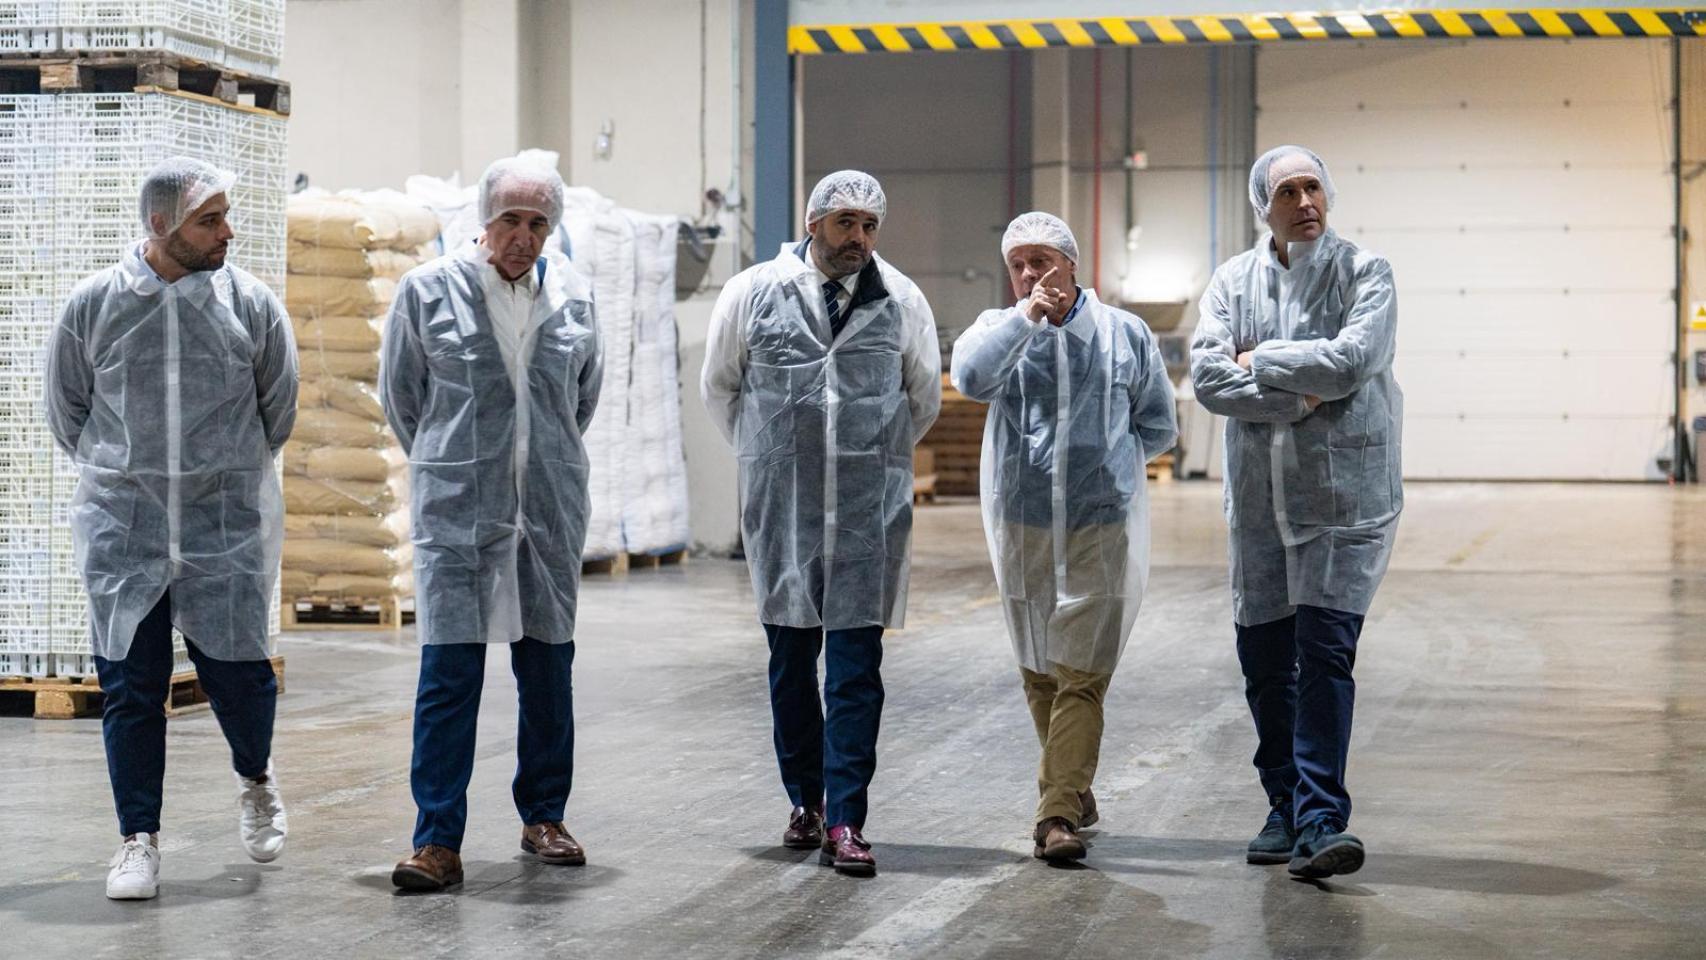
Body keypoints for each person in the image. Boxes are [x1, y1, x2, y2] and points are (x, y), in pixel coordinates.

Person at [44, 156, 298, 900]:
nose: (228, 231)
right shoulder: (97, 305)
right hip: (127, 527)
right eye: (209, 219)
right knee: (132, 683)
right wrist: (132, 479)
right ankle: (137, 839)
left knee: (241, 676)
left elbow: (276, 408)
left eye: (225, 216)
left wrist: (224, 479)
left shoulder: (249, 305)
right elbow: (69, 412)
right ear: (161, 226)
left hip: (225, 524)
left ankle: (255, 776)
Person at [701, 170, 941, 877]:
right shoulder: (754, 292)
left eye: (869, 226)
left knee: (857, 672)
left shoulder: (902, 300)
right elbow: (723, 390)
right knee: (789, 666)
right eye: (845, 224)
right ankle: (804, 799)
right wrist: (775, 456)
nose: (858, 239)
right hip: (785, 509)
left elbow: (919, 399)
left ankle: (845, 819)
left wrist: (868, 459)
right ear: (813, 224)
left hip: (868, 510)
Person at [382, 158, 603, 891]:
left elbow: (581, 400)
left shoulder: (572, 297)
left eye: (538, 223)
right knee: (449, 675)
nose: (523, 236)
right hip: (458, 510)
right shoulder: (427, 291)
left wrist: (539, 467)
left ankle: (544, 814)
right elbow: (404, 400)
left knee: (548, 670)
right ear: (484, 220)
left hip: (546, 508)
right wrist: (457, 467)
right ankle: (437, 839)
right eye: (510, 219)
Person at [1190, 145, 1402, 879]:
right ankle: (1283, 804)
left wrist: (1261, 359)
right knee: (1265, 664)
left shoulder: (1365, 273)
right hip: (1258, 504)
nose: (1306, 201)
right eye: (1289, 192)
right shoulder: (1231, 282)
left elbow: (1351, 363)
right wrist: (1299, 388)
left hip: (1344, 498)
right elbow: (1209, 379)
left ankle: (1320, 818)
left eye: (1314, 186)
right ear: (1265, 206)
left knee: (1325, 655)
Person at [950, 212, 1177, 862]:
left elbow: (1157, 424)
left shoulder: (1122, 334)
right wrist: (1024, 321)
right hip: (1022, 521)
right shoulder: (999, 331)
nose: (1030, 273)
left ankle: (1054, 818)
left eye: (1042, 259)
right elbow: (969, 378)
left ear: (1072, 263)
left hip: (1100, 520)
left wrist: (1108, 468)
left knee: (1082, 672)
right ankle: (1074, 784)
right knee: (1038, 663)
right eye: (1018, 262)